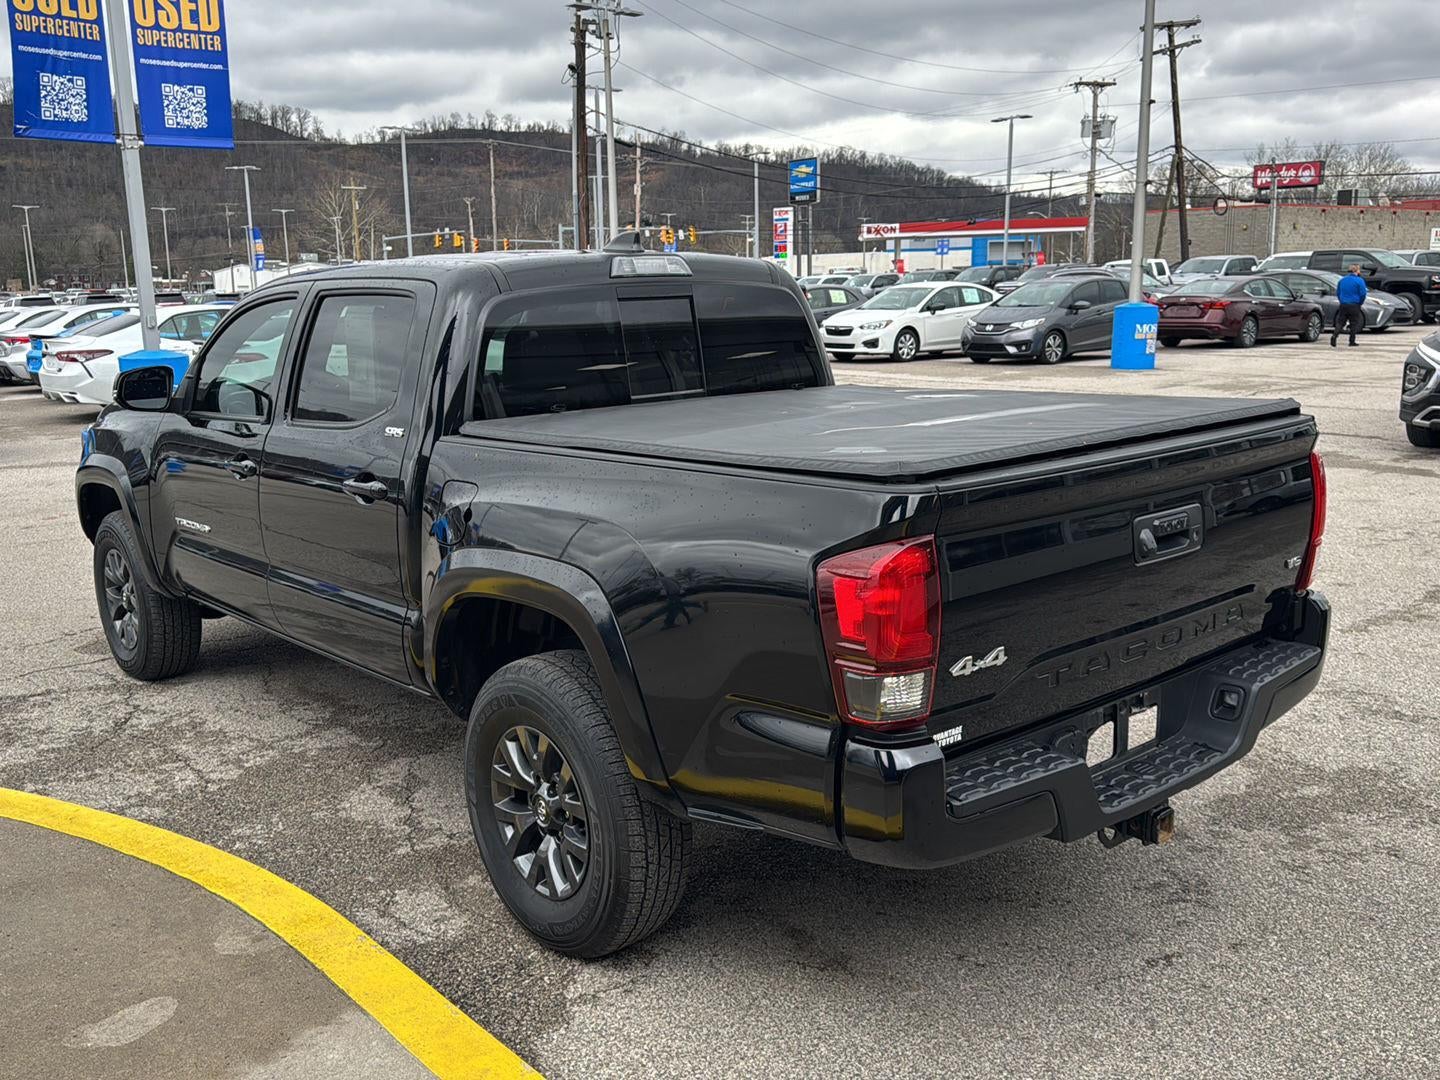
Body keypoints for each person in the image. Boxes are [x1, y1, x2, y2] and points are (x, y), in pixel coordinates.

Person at [1332, 264, 1368, 347]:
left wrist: (1342, 300)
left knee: (1340, 322)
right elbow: (1363, 293)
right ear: (1357, 271)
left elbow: (1338, 293)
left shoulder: (1342, 280)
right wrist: (1360, 302)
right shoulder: (1359, 280)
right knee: (1354, 323)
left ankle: (1334, 335)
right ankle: (1352, 341)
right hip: (1354, 304)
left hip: (1344, 304)